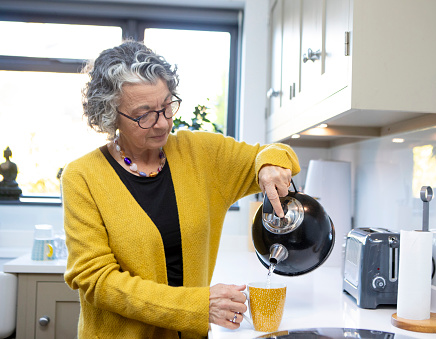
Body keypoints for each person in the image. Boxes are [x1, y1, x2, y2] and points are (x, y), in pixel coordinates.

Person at [61, 40, 300, 339]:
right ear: (110, 114)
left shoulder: (200, 154)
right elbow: (97, 280)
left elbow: (275, 152)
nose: (162, 123)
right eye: (144, 114)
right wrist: (198, 306)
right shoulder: (82, 176)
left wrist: (268, 165)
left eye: (166, 106)